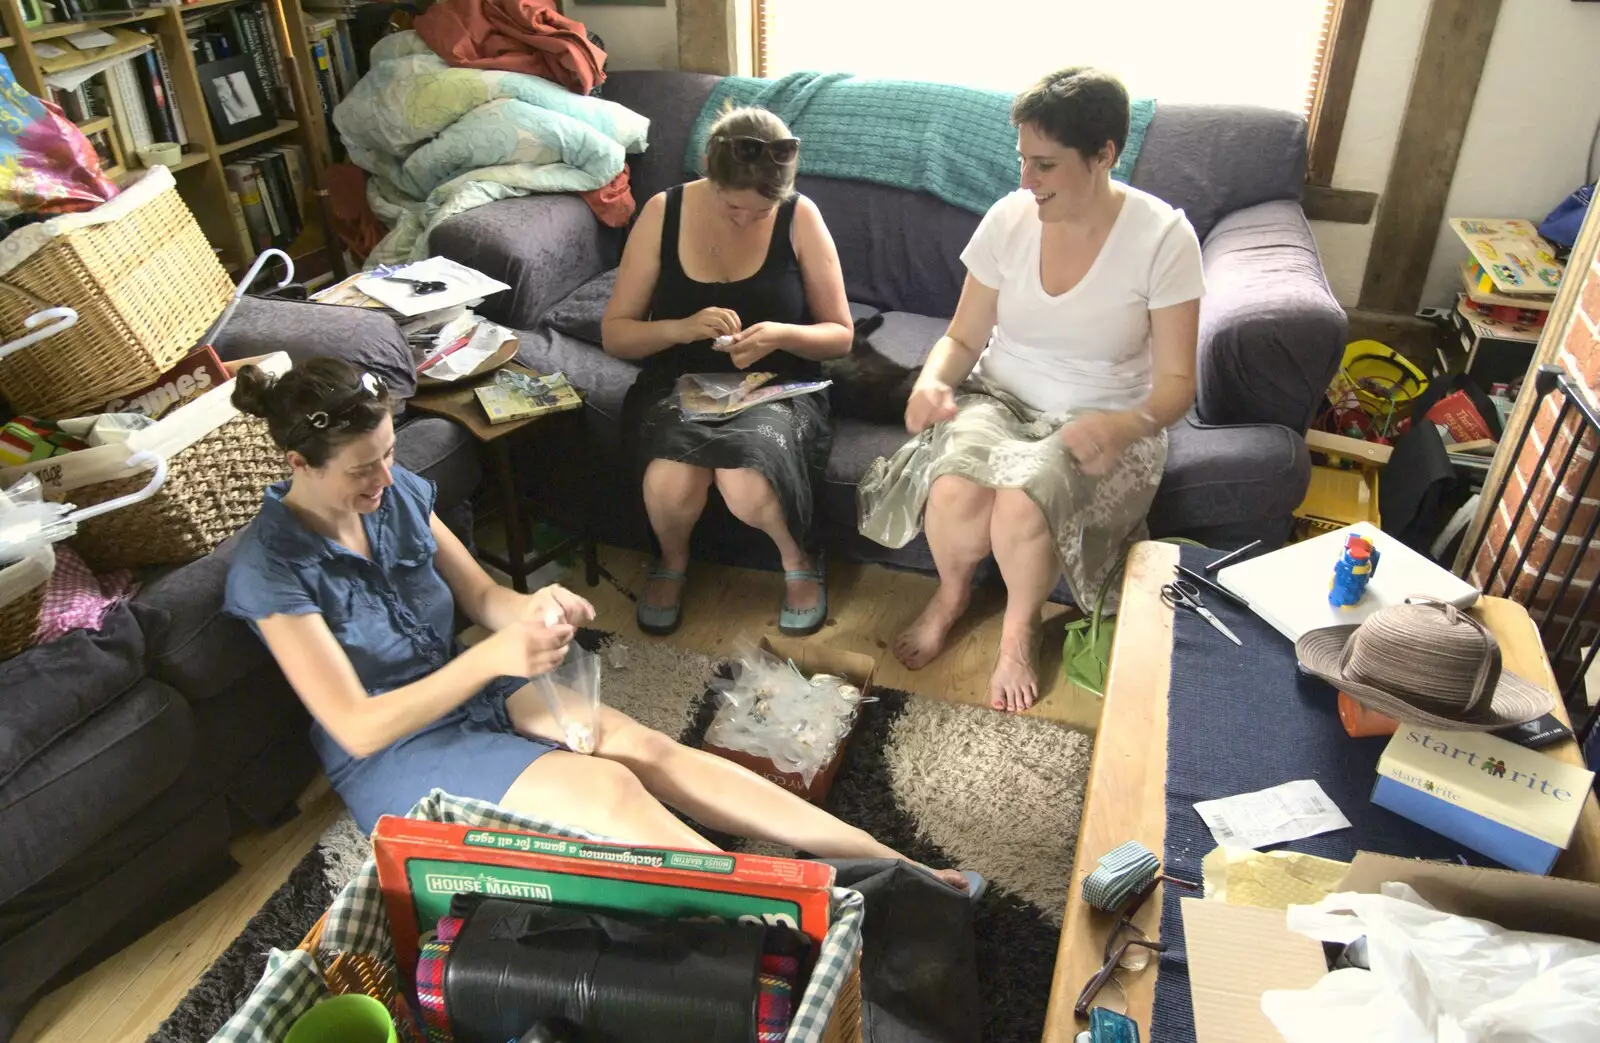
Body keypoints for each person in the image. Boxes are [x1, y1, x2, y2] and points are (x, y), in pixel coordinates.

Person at [223, 358, 973, 892]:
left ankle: (887, 861)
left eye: (389, 454)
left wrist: (539, 609)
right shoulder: (271, 568)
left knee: (645, 747)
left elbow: (486, 598)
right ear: (298, 462)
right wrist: (493, 659)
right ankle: (802, 907)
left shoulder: (397, 494)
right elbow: (355, 725)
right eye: (363, 468)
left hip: (466, 687)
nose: (385, 480)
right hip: (393, 746)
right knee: (610, 794)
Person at [859, 67, 1204, 713]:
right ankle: (952, 593)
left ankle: (1018, 631)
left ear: (1104, 154)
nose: (1025, 181)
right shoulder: (1009, 218)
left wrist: (1122, 426)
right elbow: (962, 339)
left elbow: (1179, 386)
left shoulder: (1162, 238)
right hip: (1001, 394)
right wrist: (934, 381)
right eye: (1022, 160)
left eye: (1044, 164)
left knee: (1021, 502)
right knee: (955, 483)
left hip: (1104, 416)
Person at [601, 106, 852, 638]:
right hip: (678, 382)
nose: (745, 219)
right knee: (670, 479)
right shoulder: (663, 212)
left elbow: (841, 333)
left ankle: (797, 558)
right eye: (734, 207)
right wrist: (682, 328)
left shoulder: (800, 216)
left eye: (761, 214)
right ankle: (671, 561)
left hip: (777, 383)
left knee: (747, 481)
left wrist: (781, 335)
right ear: (710, 179)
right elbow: (617, 333)